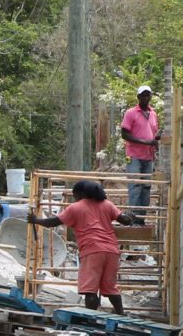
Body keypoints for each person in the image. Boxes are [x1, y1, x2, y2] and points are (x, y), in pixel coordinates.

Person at [34, 177, 137, 313]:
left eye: (75, 195)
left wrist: (35, 220)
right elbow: (124, 220)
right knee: (110, 288)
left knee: (90, 289)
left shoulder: (76, 207)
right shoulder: (107, 204)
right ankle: (121, 315)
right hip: (111, 250)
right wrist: (131, 217)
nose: (75, 198)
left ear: (81, 194)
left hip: (92, 250)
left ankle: (91, 318)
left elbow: (54, 221)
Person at [119, 86, 160, 210]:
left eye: (148, 95)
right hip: (133, 156)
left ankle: (141, 218)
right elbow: (124, 134)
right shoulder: (131, 113)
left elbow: (153, 133)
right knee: (135, 185)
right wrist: (146, 142)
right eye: (143, 95)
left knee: (146, 187)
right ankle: (133, 217)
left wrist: (155, 141)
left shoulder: (153, 114)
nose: (146, 98)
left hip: (148, 156)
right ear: (138, 97)